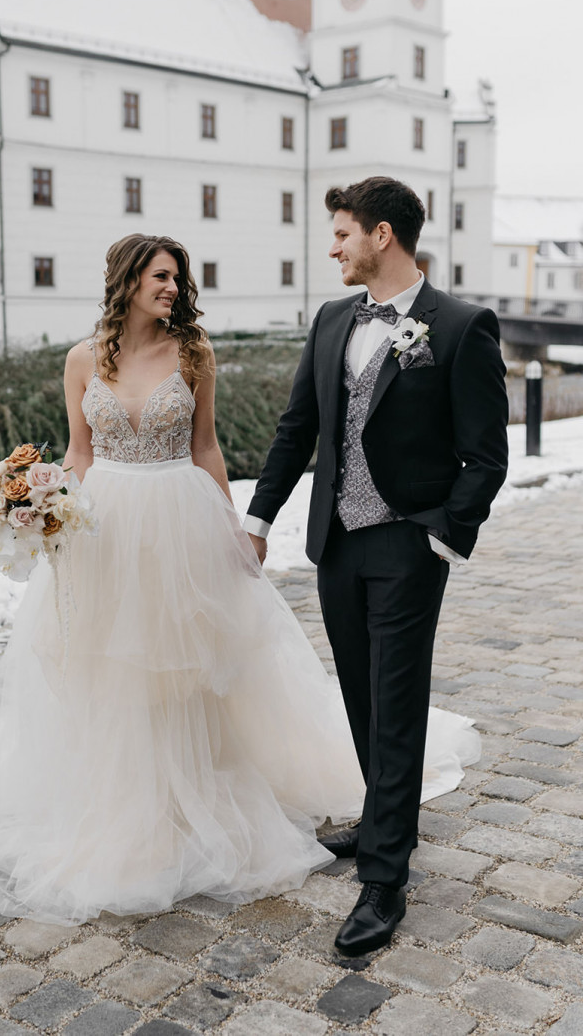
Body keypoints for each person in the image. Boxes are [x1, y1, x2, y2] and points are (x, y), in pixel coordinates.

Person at [0, 230, 481, 927]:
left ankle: (192, 799)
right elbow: (76, 448)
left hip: (179, 522)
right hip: (101, 529)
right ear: (128, 279)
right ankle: (129, 801)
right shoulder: (80, 359)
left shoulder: (192, 354)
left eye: (176, 279)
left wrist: (236, 529)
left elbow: (206, 446)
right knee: (110, 670)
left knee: (186, 671)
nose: (171, 288)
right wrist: (37, 507)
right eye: (160, 276)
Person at [244, 177, 509, 955]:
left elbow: (484, 455)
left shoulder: (460, 326)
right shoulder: (332, 320)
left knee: (397, 701)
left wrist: (441, 534)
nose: (332, 246)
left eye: (342, 233)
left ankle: (384, 879)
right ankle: (387, 817)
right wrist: (259, 518)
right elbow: (298, 430)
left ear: (383, 235)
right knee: (361, 693)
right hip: (337, 540)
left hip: (406, 542)